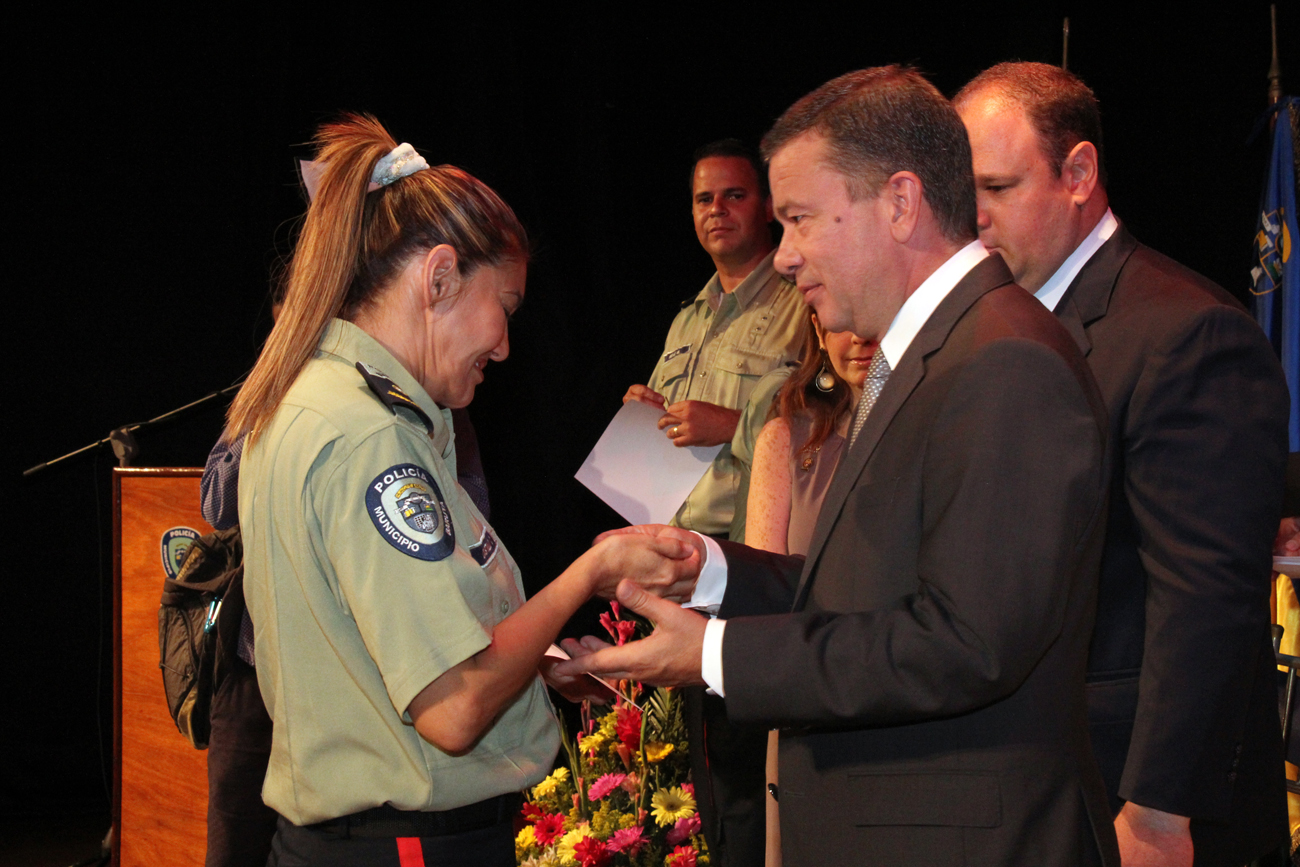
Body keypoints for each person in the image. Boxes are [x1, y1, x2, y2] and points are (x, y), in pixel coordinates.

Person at [560, 66, 1118, 866]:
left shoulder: (1004, 362)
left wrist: (714, 654)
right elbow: (871, 592)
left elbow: (966, 642)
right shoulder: (932, 352)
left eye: (799, 219)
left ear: (899, 202)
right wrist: (709, 570)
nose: (783, 256)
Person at [224, 114, 697, 867]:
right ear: (438, 277)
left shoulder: (333, 404)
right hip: (407, 844)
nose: (505, 346)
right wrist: (594, 571)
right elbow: (451, 708)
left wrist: (538, 663)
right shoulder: (371, 437)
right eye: (504, 307)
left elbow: (383, 644)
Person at [953, 62, 1289, 867]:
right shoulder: (995, 327)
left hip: (1137, 800)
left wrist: (1160, 809)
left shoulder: (1186, 331)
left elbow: (1206, 596)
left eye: (995, 187)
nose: (973, 218)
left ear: (1079, 174)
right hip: (1026, 781)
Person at [623, 139, 806, 539]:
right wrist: (641, 415)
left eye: (734, 195)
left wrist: (733, 426)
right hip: (674, 544)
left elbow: (835, 433)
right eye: (704, 199)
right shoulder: (686, 319)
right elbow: (660, 436)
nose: (716, 209)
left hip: (753, 545)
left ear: (768, 206)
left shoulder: (807, 302)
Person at [746, 311, 877, 558]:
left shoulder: (936, 426)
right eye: (842, 319)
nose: (860, 336)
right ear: (819, 330)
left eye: (874, 314)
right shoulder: (783, 439)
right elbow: (763, 578)